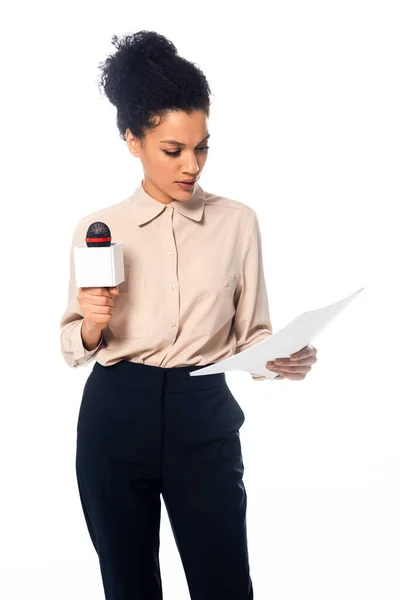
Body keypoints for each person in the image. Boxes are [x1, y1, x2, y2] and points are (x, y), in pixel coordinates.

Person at [60, 30, 315, 600]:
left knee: (224, 584)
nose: (191, 165)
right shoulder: (100, 228)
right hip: (114, 416)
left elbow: (254, 336)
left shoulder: (237, 223)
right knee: (128, 587)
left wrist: (284, 359)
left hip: (203, 418)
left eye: (201, 147)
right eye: (173, 150)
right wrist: (95, 321)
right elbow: (74, 343)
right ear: (133, 140)